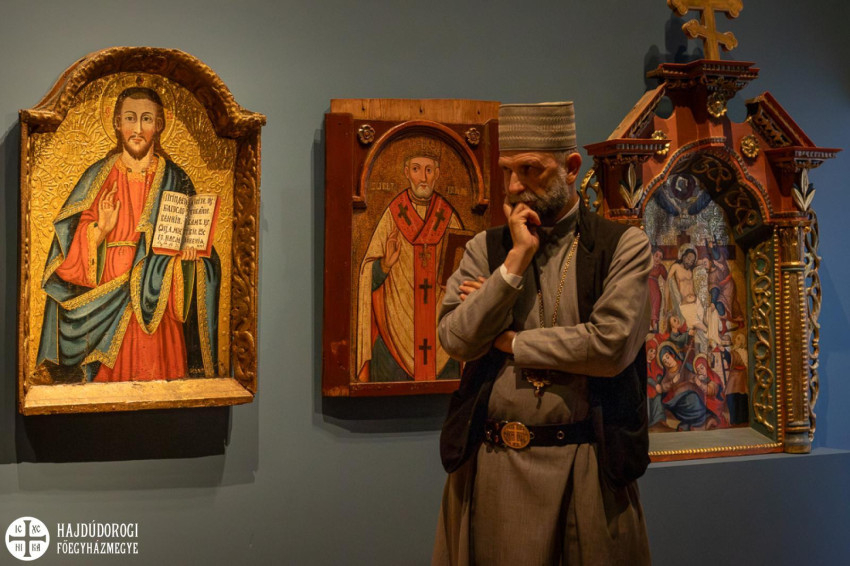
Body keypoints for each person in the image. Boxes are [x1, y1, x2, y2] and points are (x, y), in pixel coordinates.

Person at [433, 102, 652, 565]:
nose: (514, 186)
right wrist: (513, 264)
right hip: (492, 469)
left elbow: (609, 346)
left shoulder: (622, 246)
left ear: (571, 167)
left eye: (530, 169)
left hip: (586, 468)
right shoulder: (487, 248)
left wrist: (512, 342)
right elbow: (455, 339)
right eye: (507, 171)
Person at [36, 87, 220, 383]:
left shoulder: (176, 179)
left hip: (157, 303)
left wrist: (189, 260)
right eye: (130, 118)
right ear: (117, 123)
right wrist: (100, 230)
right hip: (103, 305)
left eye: (146, 119)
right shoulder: (97, 177)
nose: (137, 129)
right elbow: (65, 253)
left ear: (159, 125)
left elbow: (202, 249)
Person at [356, 139, 463, 382]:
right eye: (416, 169)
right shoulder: (393, 215)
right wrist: (385, 265)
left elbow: (464, 270)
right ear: (406, 172)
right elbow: (366, 274)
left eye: (429, 170)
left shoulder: (448, 217)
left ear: (437, 174)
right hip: (396, 329)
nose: (423, 177)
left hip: (440, 334)